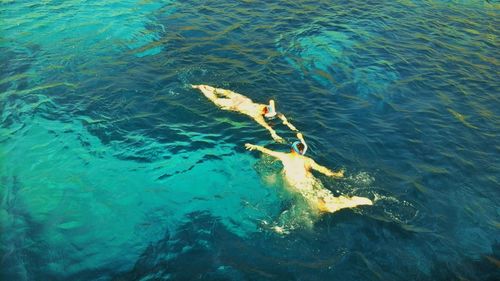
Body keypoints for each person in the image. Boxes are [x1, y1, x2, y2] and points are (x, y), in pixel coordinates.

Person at [245, 133, 372, 213]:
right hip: (310, 180)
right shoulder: (308, 160)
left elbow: (268, 151)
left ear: (291, 149)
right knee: (322, 199)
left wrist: (255, 146)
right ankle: (345, 200)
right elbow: (325, 171)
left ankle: (350, 201)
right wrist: (336, 174)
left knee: (320, 208)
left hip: (299, 185)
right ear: (301, 151)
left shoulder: (285, 156)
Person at [192, 84, 297, 142]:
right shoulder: (256, 114)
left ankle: (204, 86)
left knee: (226, 92)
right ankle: (202, 88)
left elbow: (277, 112)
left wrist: (287, 123)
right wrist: (273, 133)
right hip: (235, 105)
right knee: (215, 100)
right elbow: (265, 125)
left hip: (242, 99)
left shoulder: (265, 107)